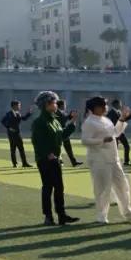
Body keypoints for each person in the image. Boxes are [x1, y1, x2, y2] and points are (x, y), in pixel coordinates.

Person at [80, 97, 131, 224]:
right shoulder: (89, 122)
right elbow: (85, 140)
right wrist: (102, 140)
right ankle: (101, 216)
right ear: (94, 108)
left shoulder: (106, 120)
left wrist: (122, 119)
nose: (106, 107)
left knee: (122, 185)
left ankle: (127, 212)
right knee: (103, 188)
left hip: (113, 158)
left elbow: (115, 133)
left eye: (105, 105)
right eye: (102, 105)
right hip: (99, 159)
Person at [31, 91, 79, 227]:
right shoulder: (39, 122)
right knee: (48, 187)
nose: (56, 105)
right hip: (46, 160)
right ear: (46, 105)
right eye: (53, 103)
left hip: (55, 158)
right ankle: (48, 216)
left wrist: (72, 123)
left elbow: (62, 136)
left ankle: (61, 215)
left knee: (59, 187)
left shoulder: (55, 120)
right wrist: (47, 154)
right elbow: (37, 142)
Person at [0, 101, 35, 168]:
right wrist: (9, 128)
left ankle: (21, 163)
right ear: (14, 106)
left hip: (17, 133)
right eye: (18, 105)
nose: (19, 106)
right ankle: (18, 163)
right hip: (12, 134)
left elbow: (24, 119)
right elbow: (2, 121)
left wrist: (29, 113)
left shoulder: (18, 113)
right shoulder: (9, 114)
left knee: (18, 148)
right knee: (15, 148)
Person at [55, 100, 83, 167]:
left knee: (68, 148)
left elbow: (66, 118)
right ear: (62, 105)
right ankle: (59, 161)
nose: (65, 106)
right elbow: (64, 119)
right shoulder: (57, 112)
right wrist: (71, 116)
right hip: (59, 132)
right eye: (64, 105)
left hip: (63, 132)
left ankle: (74, 162)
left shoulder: (61, 112)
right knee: (58, 148)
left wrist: (71, 115)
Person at [106, 99, 131, 166]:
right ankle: (112, 162)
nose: (121, 105)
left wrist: (129, 116)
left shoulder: (119, 112)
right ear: (116, 104)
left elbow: (122, 120)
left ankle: (126, 161)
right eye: (120, 104)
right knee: (115, 148)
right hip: (114, 133)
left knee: (127, 146)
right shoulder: (110, 113)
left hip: (120, 132)